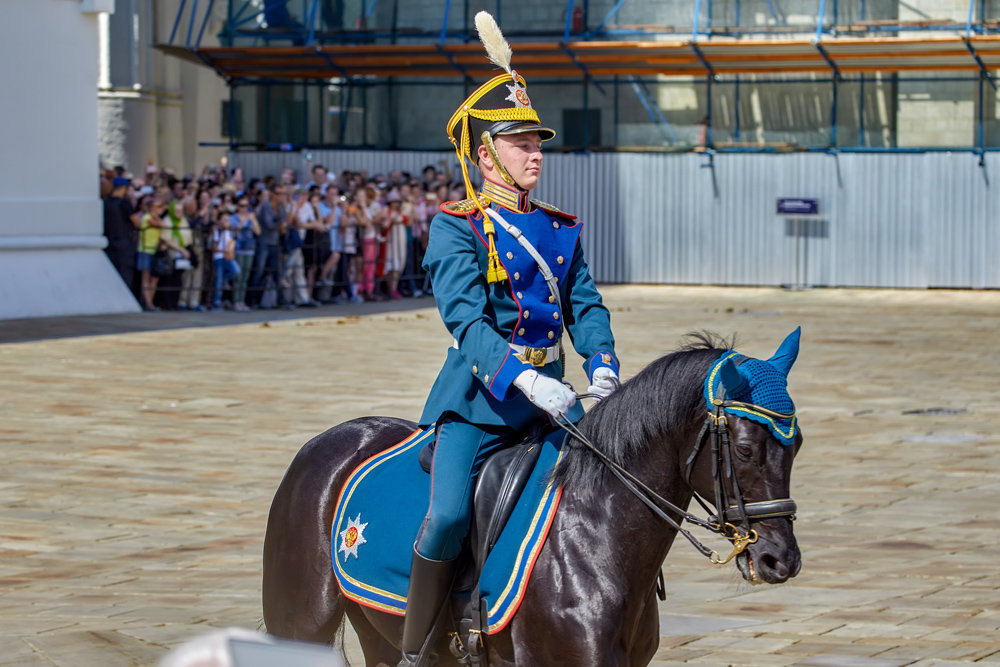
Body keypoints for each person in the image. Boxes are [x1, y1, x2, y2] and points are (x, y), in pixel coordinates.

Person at [396, 13, 621, 666]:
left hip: (556, 398)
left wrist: (602, 364)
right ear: (484, 152)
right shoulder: (456, 227)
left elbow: (585, 303)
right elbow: (466, 322)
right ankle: (417, 646)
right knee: (444, 518)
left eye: (538, 142)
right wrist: (525, 378)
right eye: (520, 142)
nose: (536, 154)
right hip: (481, 401)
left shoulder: (560, 227)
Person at [102, 175, 139, 296]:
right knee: (125, 274)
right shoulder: (124, 203)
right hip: (124, 244)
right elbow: (137, 222)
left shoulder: (105, 202)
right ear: (123, 188)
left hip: (109, 243)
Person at [230, 194, 260, 311]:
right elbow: (234, 234)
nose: (244, 209)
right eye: (242, 206)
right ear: (237, 206)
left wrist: (253, 220)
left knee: (246, 277)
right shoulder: (233, 218)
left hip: (250, 249)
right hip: (238, 249)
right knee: (238, 276)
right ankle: (236, 301)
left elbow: (258, 232)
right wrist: (242, 222)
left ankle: (242, 301)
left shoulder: (251, 217)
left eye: (246, 206)